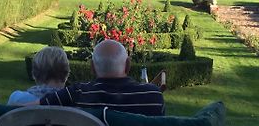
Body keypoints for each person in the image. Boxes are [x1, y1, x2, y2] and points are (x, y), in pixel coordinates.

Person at [34, 40, 165, 116]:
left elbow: (23, 108)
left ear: (92, 67)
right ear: (128, 65)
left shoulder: (75, 93)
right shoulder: (153, 95)